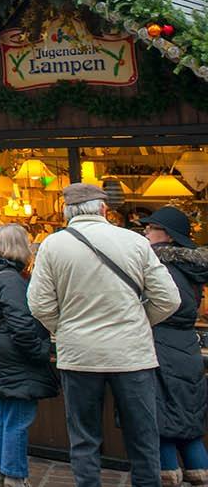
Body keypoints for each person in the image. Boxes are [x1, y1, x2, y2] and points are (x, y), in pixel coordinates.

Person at [29, 182, 180, 487]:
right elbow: (169, 299)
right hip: (132, 355)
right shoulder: (135, 242)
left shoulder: (52, 245)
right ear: (103, 209)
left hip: (80, 356)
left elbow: (39, 304)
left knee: (84, 440)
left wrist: (66, 329)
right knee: (143, 438)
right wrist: (138, 322)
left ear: (67, 212)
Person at [0, 224, 59, 487]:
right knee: (18, 416)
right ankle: (15, 475)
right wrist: (40, 351)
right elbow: (21, 323)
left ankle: (1, 469)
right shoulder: (10, 279)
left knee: (4, 411)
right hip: (16, 354)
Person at [140, 207, 208, 486]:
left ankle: (167, 478)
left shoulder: (160, 267)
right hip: (186, 350)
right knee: (188, 427)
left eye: (151, 227)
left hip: (160, 348)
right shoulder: (190, 266)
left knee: (161, 425)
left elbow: (166, 306)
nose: (145, 231)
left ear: (166, 234)